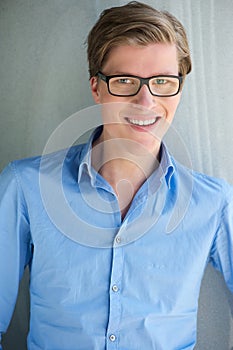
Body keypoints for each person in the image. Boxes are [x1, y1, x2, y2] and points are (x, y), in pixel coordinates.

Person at [0, 1, 232, 349]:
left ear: (179, 88)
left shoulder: (214, 202)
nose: (146, 101)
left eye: (163, 82)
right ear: (96, 87)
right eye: (125, 81)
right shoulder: (25, 187)